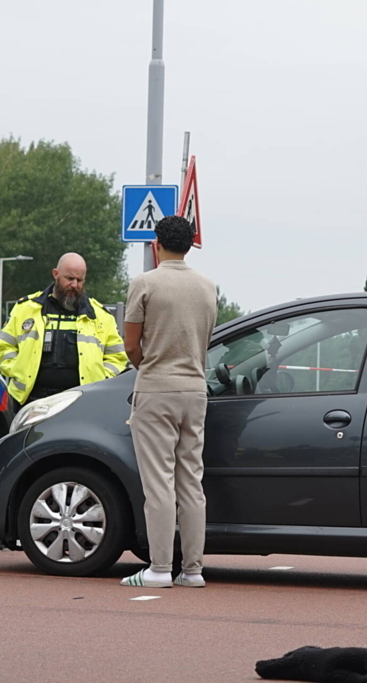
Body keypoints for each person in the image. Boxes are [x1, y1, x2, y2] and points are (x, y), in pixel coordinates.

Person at [120, 216, 217, 589]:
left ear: (156, 245)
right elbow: (204, 338)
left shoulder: (145, 283)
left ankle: (159, 568)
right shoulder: (207, 286)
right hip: (195, 390)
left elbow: (131, 344)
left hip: (156, 388)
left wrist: (148, 366)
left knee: (159, 482)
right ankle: (193, 570)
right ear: (190, 245)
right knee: (191, 480)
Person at [0, 253, 128, 409]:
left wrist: (101, 377)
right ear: (56, 274)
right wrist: (16, 369)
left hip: (81, 402)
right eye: (69, 279)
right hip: (30, 401)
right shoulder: (26, 309)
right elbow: (4, 346)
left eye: (79, 280)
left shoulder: (100, 316)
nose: (74, 285)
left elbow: (117, 356)